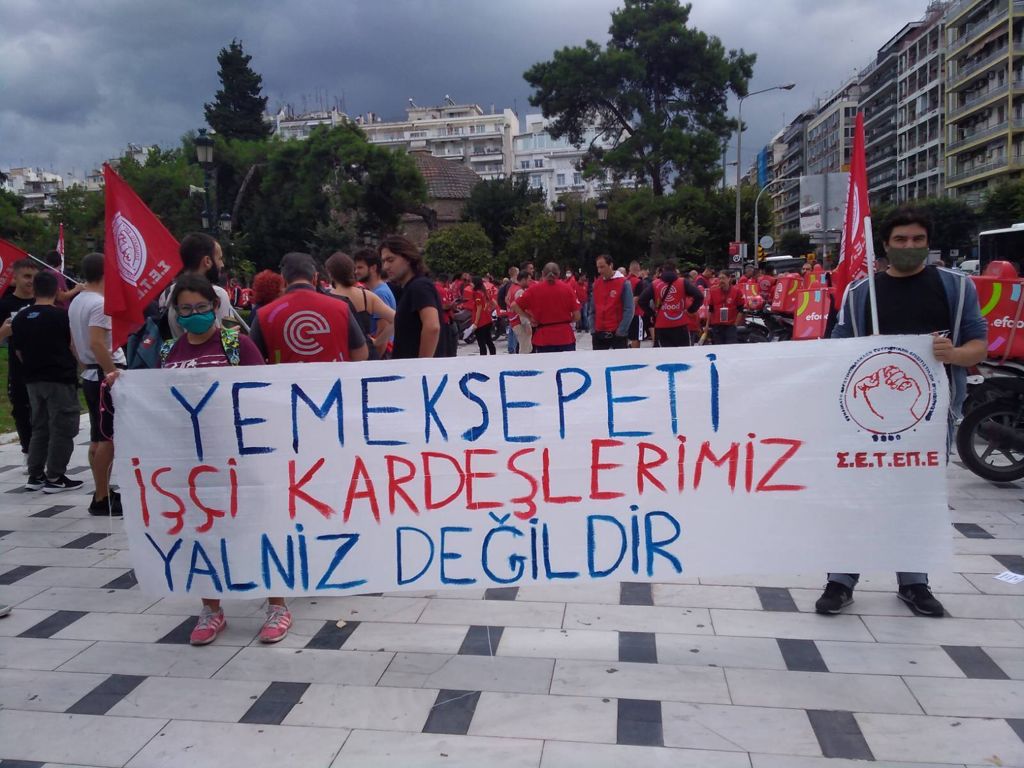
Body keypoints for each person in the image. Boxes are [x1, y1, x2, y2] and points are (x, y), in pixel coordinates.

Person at [817, 209, 988, 618]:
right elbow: (835, 349)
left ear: (928, 244)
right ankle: (841, 580)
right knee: (855, 497)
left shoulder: (956, 288)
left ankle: (914, 582)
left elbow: (978, 346)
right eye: (901, 240)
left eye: (917, 240)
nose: (909, 247)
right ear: (886, 245)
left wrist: (953, 354)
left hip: (928, 419)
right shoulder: (861, 294)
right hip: (862, 419)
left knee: (915, 499)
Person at [162, 275, 290, 645]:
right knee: (202, 532)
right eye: (185, 309)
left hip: (240, 456)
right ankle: (211, 609)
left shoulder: (237, 345)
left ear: (216, 307)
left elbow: (263, 394)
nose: (193, 315)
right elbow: (156, 399)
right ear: (176, 313)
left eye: (201, 307)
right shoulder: (169, 351)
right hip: (192, 460)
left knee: (258, 529)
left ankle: (277, 606)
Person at [12, 270, 82, 494]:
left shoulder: (21, 317)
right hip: (59, 379)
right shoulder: (61, 316)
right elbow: (73, 346)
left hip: (32, 380)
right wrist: (82, 367)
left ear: (34, 289)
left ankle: (35, 474)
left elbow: (18, 351)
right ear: (57, 290)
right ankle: (55, 476)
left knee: (39, 426)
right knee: (63, 427)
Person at [69, 253, 125, 516]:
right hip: (104, 375)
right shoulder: (99, 303)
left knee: (97, 437)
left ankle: (102, 489)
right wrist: (110, 371)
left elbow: (74, 343)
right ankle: (101, 497)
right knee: (108, 439)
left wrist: (86, 366)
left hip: (91, 374)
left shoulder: (77, 301)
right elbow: (96, 342)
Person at [250, 252, 368, 364]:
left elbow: (251, 361)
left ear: (283, 280)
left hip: (285, 379)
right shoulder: (341, 308)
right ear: (315, 278)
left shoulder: (264, 315)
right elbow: (361, 354)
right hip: (334, 378)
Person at [0, 259, 37, 465]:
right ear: (15, 278)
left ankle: (43, 450)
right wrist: (4, 332)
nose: (31, 281)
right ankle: (28, 450)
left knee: (44, 410)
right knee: (21, 409)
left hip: (44, 366)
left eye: (34, 277)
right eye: (26, 276)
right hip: (18, 367)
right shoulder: (5, 305)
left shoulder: (43, 300)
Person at [381, 235, 442, 359]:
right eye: (383, 261)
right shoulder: (409, 289)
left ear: (408, 258)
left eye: (390, 260)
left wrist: (421, 366)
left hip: (416, 368)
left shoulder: (419, 286)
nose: (385, 266)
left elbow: (432, 326)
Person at [326, 251, 395, 360]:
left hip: (341, 354)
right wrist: (378, 341)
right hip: (368, 353)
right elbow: (397, 318)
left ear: (330, 274)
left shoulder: (327, 299)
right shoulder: (367, 296)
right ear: (351, 270)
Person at [164, 233, 233, 339]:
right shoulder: (217, 294)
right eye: (219, 259)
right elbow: (229, 338)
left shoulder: (167, 294)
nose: (222, 264)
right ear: (207, 261)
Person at [516, 262, 580, 353]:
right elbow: (577, 316)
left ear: (543, 273)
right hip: (565, 336)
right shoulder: (568, 289)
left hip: (543, 337)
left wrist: (529, 318)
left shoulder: (533, 290)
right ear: (558, 273)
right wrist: (567, 321)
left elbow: (514, 305)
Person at [640, 260, 704, 348]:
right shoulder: (683, 282)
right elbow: (699, 296)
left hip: (662, 324)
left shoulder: (655, 284)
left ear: (663, 270)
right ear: (675, 270)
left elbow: (641, 300)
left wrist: (652, 314)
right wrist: (691, 310)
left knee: (664, 354)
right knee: (684, 353)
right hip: (681, 324)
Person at [354, 248, 397, 353]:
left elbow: (382, 330)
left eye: (360, 267)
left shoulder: (380, 294)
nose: (356, 272)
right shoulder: (378, 290)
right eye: (355, 268)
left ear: (373, 268)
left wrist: (376, 358)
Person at [591, 254, 634, 350]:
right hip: (599, 333)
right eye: (598, 267)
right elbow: (592, 309)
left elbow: (629, 309)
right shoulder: (596, 284)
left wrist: (621, 331)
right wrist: (593, 330)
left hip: (616, 334)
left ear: (610, 265)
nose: (599, 271)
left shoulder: (624, 283)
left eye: (602, 267)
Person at [705, 270, 744, 345]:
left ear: (729, 278)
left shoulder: (737, 291)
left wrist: (735, 325)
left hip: (730, 326)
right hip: (717, 326)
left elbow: (741, 310)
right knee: (719, 348)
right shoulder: (713, 291)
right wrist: (707, 325)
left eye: (723, 278)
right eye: (719, 278)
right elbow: (710, 309)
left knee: (731, 347)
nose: (721, 280)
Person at [507, 270, 533, 355]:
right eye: (529, 280)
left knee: (522, 345)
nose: (530, 282)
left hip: (513, 320)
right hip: (520, 322)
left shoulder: (512, 287)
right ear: (523, 280)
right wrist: (527, 324)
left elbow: (507, 299)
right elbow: (521, 309)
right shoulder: (520, 291)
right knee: (525, 347)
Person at [470, 276, 497, 355]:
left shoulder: (476, 293)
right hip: (488, 320)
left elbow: (479, 308)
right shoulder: (484, 292)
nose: (470, 284)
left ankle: (483, 359)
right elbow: (494, 304)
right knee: (489, 341)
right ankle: (493, 357)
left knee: (481, 344)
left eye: (471, 282)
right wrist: (487, 310)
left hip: (481, 322)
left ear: (475, 283)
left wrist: (475, 323)